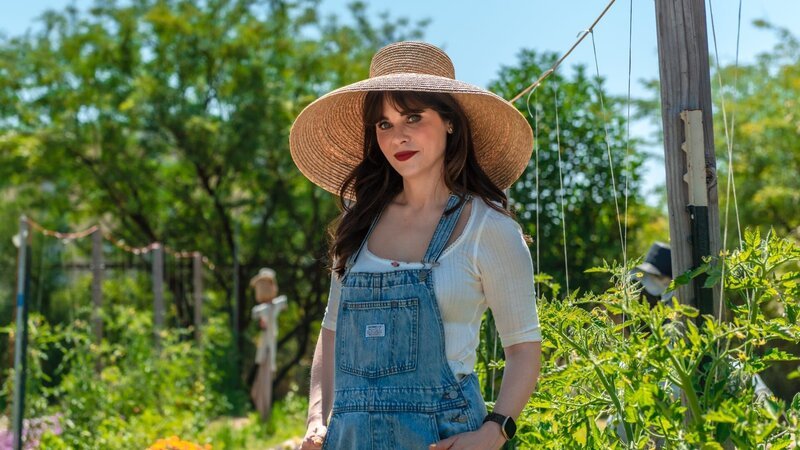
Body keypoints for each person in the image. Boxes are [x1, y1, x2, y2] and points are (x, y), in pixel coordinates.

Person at [289, 41, 542, 449]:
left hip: (446, 438)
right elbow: (331, 333)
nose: (397, 136)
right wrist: (318, 419)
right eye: (384, 124)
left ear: (450, 122)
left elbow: (524, 348)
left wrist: (494, 433)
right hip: (349, 438)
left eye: (412, 117)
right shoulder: (358, 227)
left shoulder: (487, 228)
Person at [249, 267, 288, 422]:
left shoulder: (276, 304)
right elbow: (256, 314)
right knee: (262, 378)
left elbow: (283, 302)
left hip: (269, 348)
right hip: (264, 349)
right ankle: (261, 411)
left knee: (266, 378)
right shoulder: (261, 309)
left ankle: (265, 413)